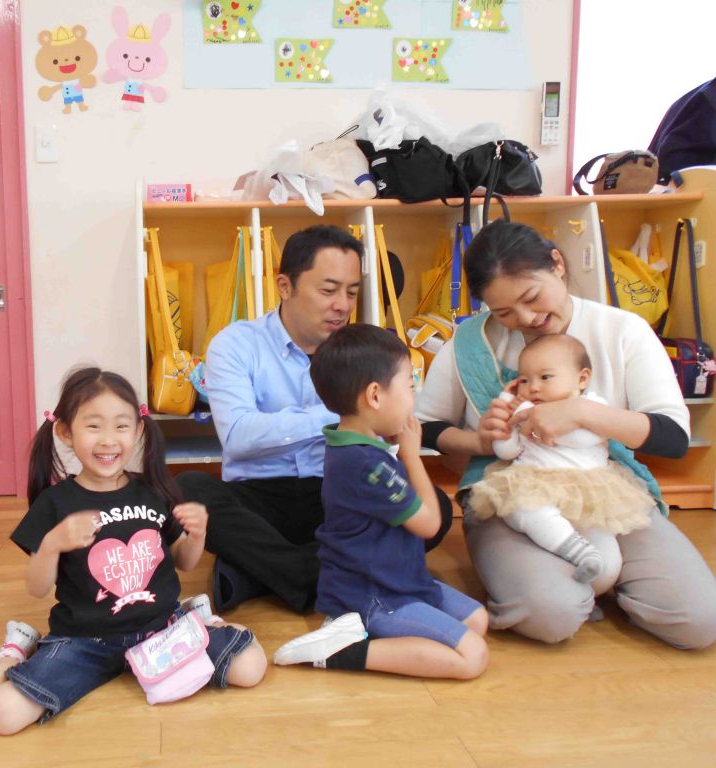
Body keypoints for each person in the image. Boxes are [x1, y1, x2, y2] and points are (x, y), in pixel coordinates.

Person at [416, 220, 716, 648]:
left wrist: (581, 412)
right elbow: (427, 427)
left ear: (557, 264)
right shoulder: (470, 343)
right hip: (512, 497)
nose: (526, 319)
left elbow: (672, 437)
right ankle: (582, 582)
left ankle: (603, 581)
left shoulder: (623, 331)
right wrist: (479, 441)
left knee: (699, 620)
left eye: (531, 297)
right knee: (550, 614)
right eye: (503, 313)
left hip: (606, 489)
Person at [177, 225, 453, 614]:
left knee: (436, 507)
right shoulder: (236, 343)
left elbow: (392, 428)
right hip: (260, 495)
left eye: (352, 292)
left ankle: (262, 573)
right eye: (328, 290)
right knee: (187, 488)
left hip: (341, 490)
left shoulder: (365, 349)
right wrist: (339, 413)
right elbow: (238, 437)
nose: (342, 305)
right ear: (285, 286)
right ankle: (318, 573)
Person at [0, 368, 265, 734]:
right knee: (1, 716)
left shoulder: (153, 490)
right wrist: (52, 544)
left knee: (250, 666)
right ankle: (16, 649)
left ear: (138, 430)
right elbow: (36, 588)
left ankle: (201, 620)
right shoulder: (55, 503)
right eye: (93, 426)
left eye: (121, 426)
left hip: (162, 630)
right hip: (85, 642)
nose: (108, 440)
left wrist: (197, 535)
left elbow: (183, 561)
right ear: (65, 431)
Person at [272, 325, 488, 679]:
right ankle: (342, 650)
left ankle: (361, 632)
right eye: (410, 386)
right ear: (375, 395)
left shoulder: (354, 445)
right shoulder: (367, 465)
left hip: (402, 579)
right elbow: (430, 524)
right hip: (374, 595)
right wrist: (412, 456)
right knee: (473, 656)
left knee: (477, 620)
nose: (414, 398)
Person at [467, 334, 655, 587]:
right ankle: (575, 551)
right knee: (522, 510)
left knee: (604, 551)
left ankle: (596, 574)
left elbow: (583, 439)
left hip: (589, 490)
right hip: (534, 482)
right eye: (524, 380)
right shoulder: (524, 411)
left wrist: (534, 417)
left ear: (582, 379)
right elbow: (507, 452)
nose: (533, 387)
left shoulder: (592, 405)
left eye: (545, 377)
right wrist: (506, 419)